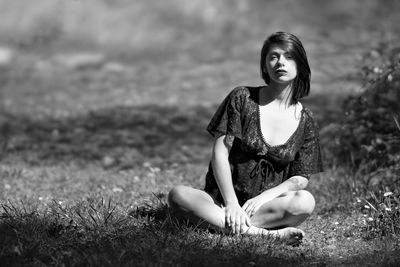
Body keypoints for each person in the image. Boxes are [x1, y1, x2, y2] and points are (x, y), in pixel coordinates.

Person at [168, 32, 323, 245]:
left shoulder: (306, 120)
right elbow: (220, 151)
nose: (281, 63)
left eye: (288, 57)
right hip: (219, 201)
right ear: (264, 65)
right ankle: (267, 234)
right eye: (273, 56)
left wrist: (264, 197)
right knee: (178, 195)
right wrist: (231, 203)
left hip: (263, 207)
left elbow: (300, 177)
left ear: (300, 65)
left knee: (305, 201)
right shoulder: (243, 98)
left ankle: (222, 224)